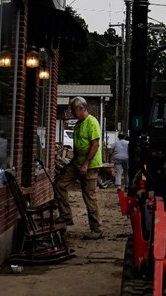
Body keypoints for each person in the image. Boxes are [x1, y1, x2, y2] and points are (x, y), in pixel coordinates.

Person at [54, 96, 104, 239]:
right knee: (60, 184)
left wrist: (86, 163)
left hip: (90, 165)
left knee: (89, 195)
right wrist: (74, 162)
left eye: (73, 109)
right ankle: (66, 215)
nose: (71, 112)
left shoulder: (92, 122)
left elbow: (95, 144)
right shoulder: (79, 123)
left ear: (80, 109)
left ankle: (97, 229)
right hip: (77, 163)